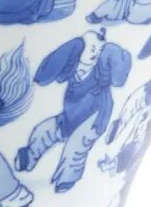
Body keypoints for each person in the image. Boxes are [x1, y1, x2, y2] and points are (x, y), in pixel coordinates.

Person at [16, 29, 132, 191]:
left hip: (94, 118)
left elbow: (119, 73)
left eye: (99, 50)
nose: (95, 54)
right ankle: (28, 157)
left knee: (76, 146)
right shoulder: (74, 69)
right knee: (44, 131)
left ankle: (67, 179)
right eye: (92, 49)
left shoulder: (101, 73)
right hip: (72, 115)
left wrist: (111, 52)